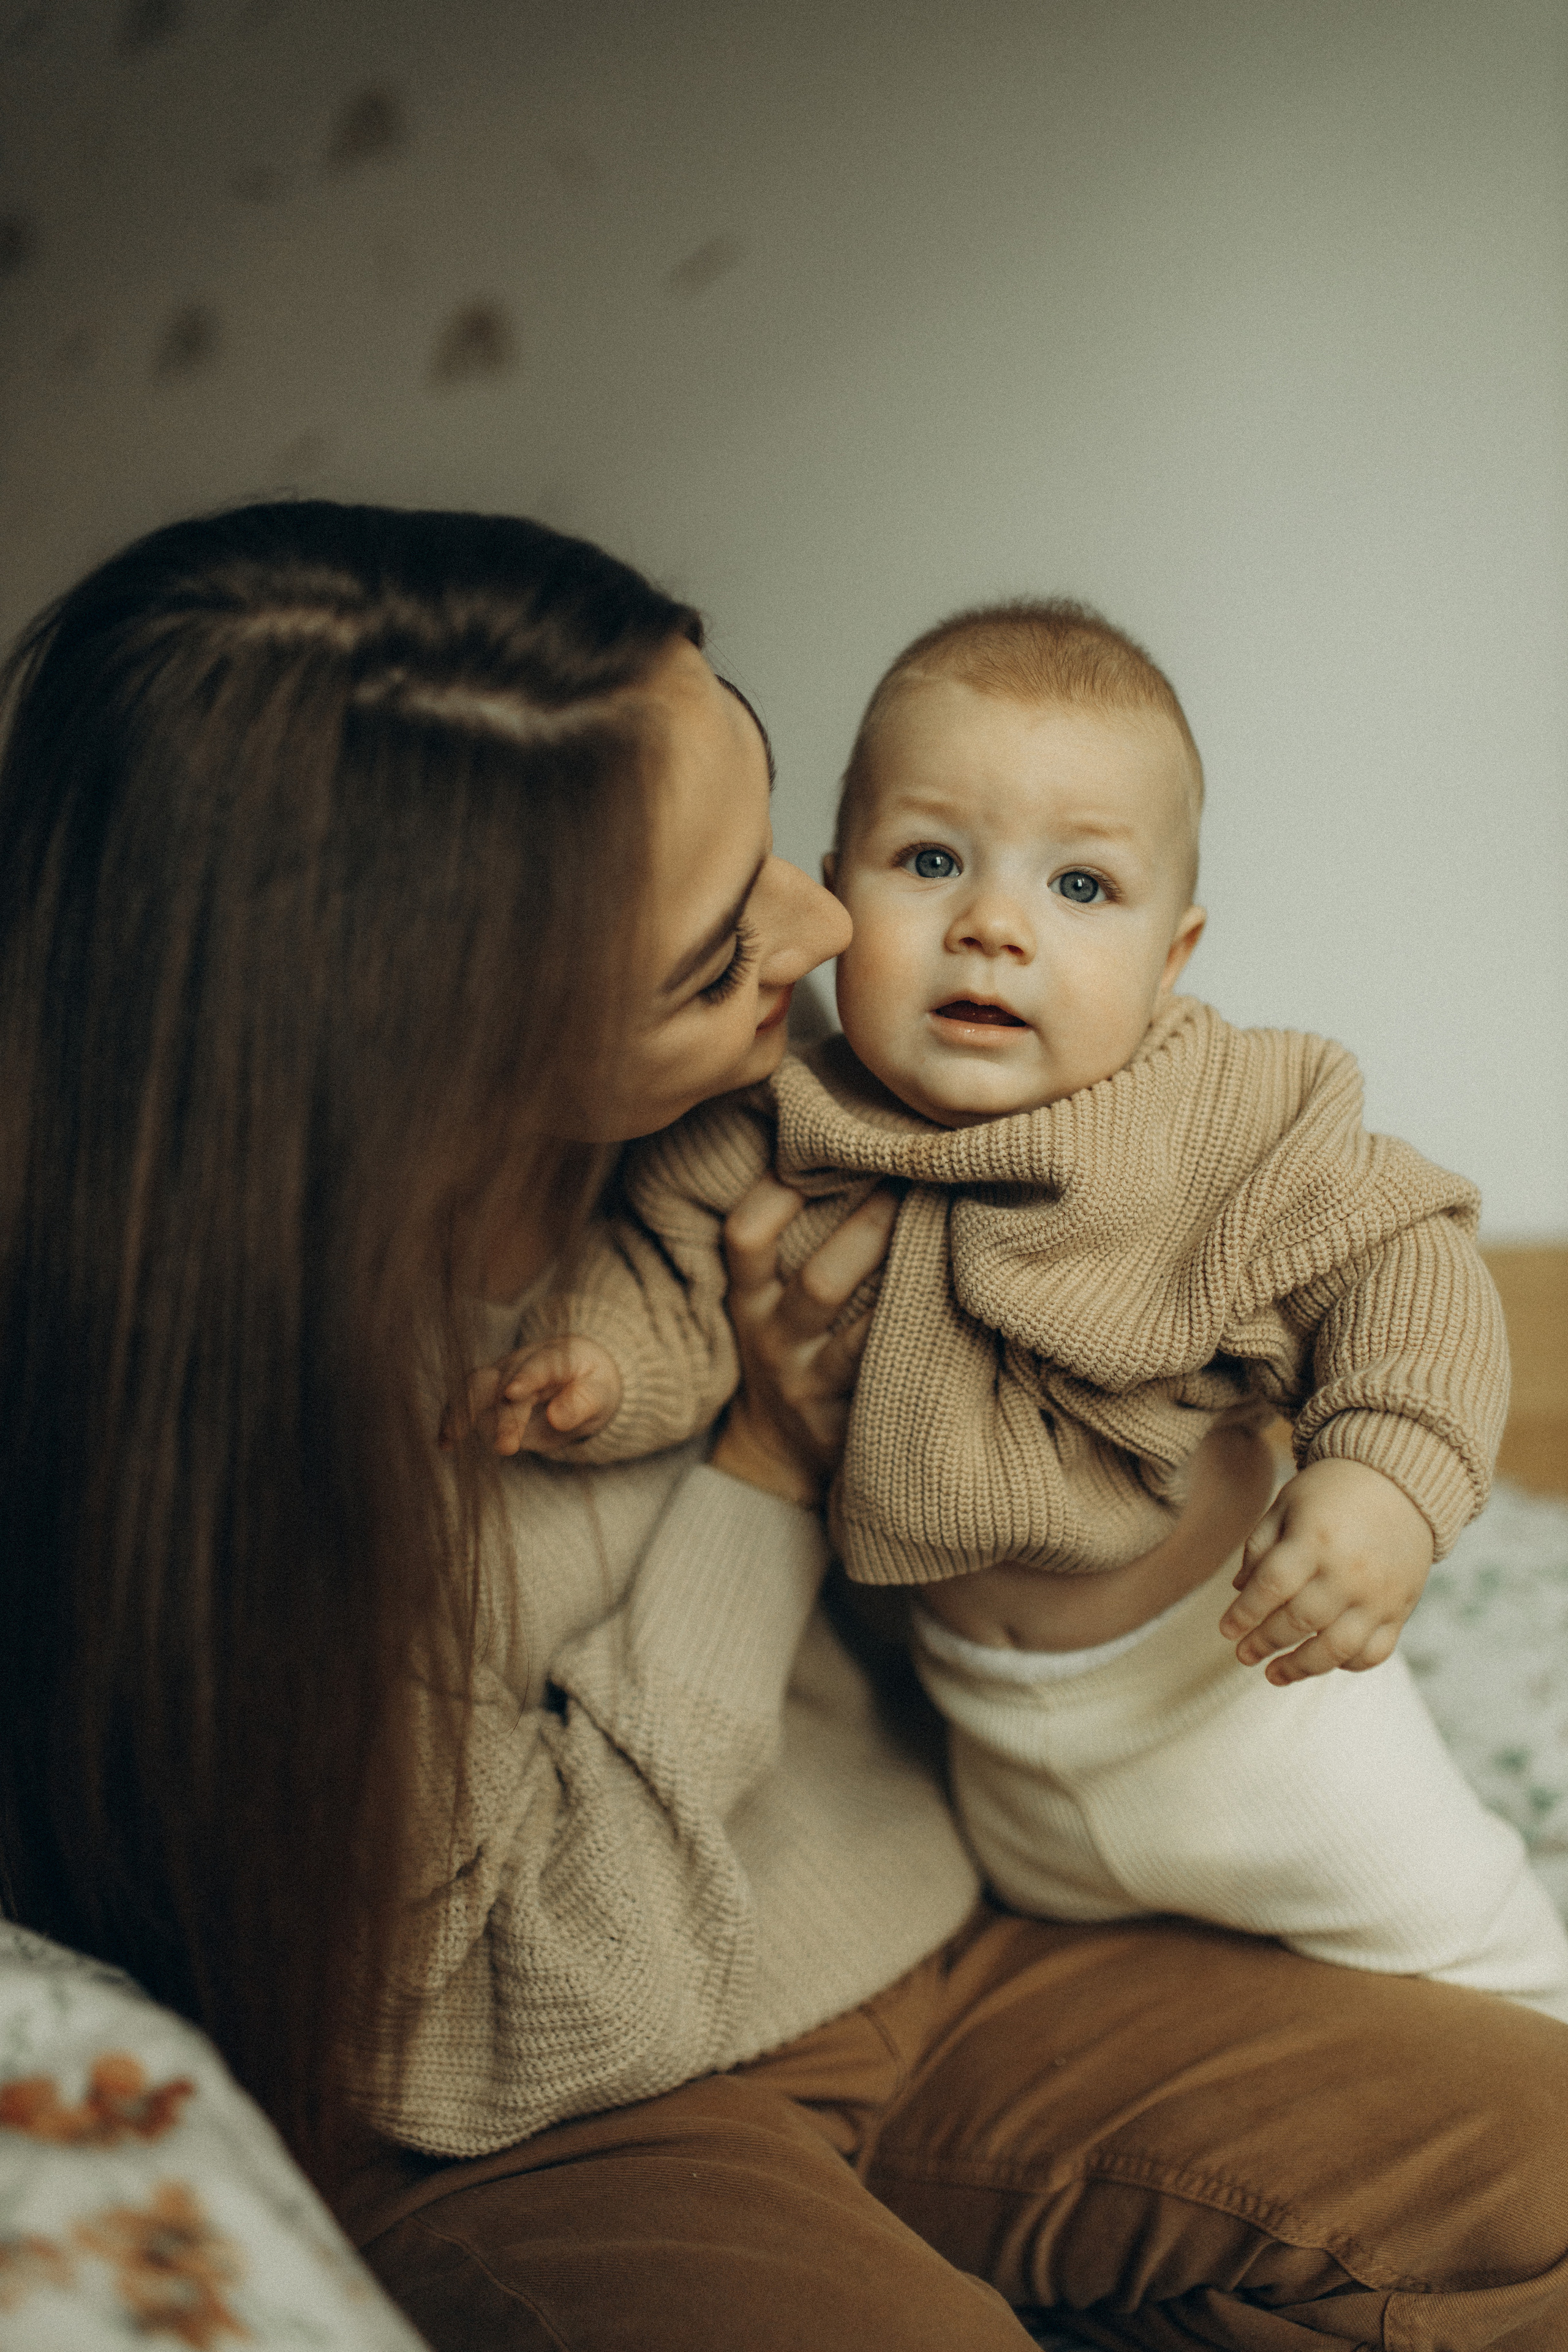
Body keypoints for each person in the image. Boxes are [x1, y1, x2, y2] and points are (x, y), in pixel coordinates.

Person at [1, 507, 1565, 2352]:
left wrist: (1310, 1469)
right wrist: (761, 1469)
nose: (828, 928)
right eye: (716, 940)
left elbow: (1346, 1253)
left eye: (778, 842)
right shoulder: (250, 1481)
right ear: (438, 1043)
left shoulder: (820, 1111)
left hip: (953, 1938)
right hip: (556, 2116)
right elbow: (522, 2031)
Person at [461, 595, 1568, 2022]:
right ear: (834, 888)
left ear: (1173, 958)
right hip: (985, 1757)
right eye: (929, 861)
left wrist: (1382, 1483)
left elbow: (1403, 1271)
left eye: (1081, 890)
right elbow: (675, 1276)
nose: (990, 926)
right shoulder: (783, 1110)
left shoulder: (1228, 1118)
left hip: (1243, 1709)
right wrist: (601, 1365)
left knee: (1496, 1978)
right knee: (1122, 2005)